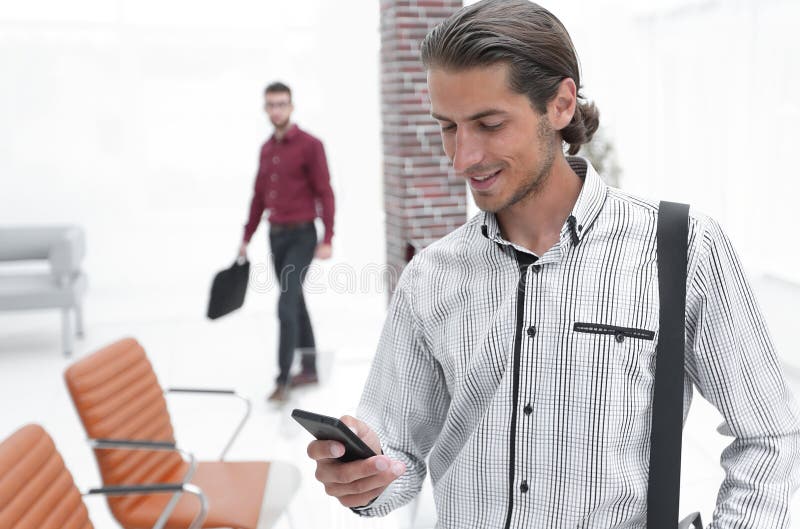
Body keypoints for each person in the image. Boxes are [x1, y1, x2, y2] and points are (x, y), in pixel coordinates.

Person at [305, 0, 800, 527]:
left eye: (489, 124)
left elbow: (767, 434)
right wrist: (365, 479)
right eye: (448, 127)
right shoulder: (430, 275)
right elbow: (398, 453)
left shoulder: (682, 249)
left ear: (561, 105)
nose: (462, 158)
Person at [240, 81, 335, 403]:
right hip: (276, 236)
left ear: (291, 107)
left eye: (282, 104)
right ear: (266, 109)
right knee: (294, 300)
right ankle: (309, 369)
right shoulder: (267, 149)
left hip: (302, 235)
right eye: (271, 105)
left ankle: (283, 379)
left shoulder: (310, 145)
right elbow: (258, 198)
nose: (276, 110)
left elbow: (325, 192)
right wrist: (246, 237)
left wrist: (328, 237)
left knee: (284, 305)